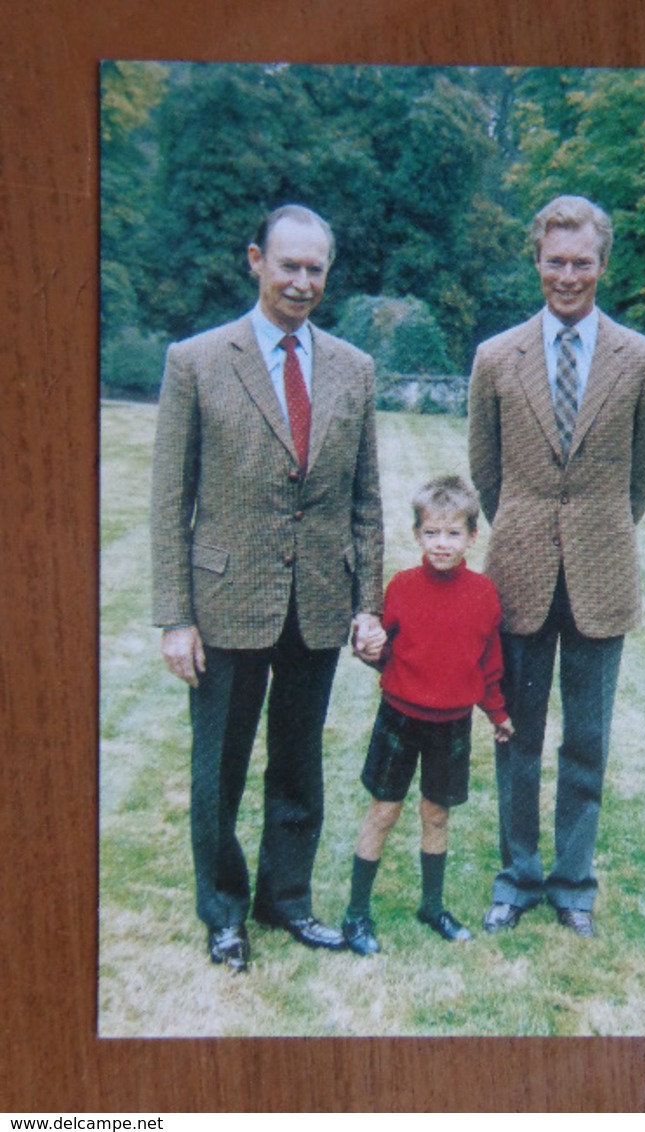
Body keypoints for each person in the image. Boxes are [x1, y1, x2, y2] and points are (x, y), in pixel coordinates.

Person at [151, 203, 385, 972]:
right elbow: (167, 501)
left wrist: (366, 603)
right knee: (217, 765)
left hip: (317, 602)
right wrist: (174, 618)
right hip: (224, 603)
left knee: (298, 761)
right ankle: (222, 910)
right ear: (256, 260)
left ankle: (286, 899)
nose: (302, 281)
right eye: (288, 265)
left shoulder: (353, 368)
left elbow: (364, 500)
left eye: (315, 268)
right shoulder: (196, 360)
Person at [468, 194, 645, 938]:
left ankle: (573, 885)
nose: (567, 275)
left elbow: (641, 474)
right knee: (514, 734)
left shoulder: (642, 360)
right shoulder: (495, 357)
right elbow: (484, 472)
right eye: (555, 261)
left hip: (601, 574)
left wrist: (596, 534)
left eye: (580, 262)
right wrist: (524, 532)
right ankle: (516, 877)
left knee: (586, 738)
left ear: (601, 264)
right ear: (536, 261)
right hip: (517, 573)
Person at [341, 475, 514, 957]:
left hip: (452, 724)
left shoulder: (484, 595)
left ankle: (432, 904)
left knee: (436, 815)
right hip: (399, 717)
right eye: (432, 533)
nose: (442, 544)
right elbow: (379, 649)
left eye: (453, 533)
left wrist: (497, 713)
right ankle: (356, 913)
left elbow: (489, 664)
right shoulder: (400, 588)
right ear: (417, 535)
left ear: (473, 537)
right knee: (384, 811)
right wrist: (369, 647)